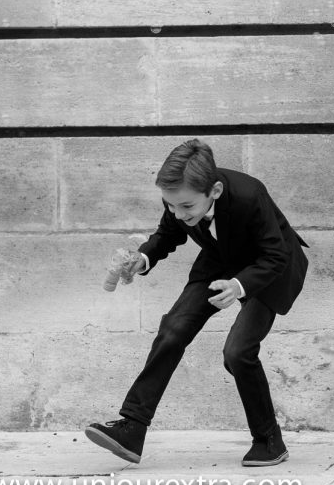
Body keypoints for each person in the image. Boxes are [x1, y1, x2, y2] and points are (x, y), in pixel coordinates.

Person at [85, 139, 309, 467]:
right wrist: (144, 257)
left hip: (270, 267)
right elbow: (167, 234)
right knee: (173, 329)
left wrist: (239, 284)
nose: (178, 213)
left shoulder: (250, 195)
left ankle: (269, 439)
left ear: (215, 191)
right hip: (219, 261)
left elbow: (276, 253)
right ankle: (132, 428)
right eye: (171, 205)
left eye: (186, 207)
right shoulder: (180, 195)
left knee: (238, 353)